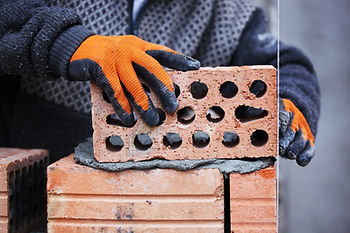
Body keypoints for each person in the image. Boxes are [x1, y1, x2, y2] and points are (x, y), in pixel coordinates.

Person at [0, 0, 320, 166]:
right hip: (36, 189)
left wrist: (291, 100)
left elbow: (286, 64)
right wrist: (66, 44)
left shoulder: (222, 11)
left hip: (160, 202)